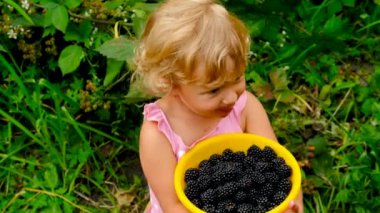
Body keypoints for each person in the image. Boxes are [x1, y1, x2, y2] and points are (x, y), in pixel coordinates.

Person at [132, 0, 303, 212]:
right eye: (214, 90)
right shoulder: (157, 134)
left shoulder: (246, 106)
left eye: (238, 78)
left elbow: (278, 166)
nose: (231, 97)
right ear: (172, 84)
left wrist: (291, 204)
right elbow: (173, 205)